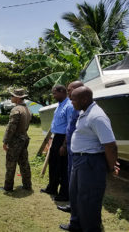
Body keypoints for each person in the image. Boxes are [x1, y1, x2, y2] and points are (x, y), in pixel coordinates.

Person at [60, 86, 120, 232]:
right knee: (75, 195)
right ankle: (76, 225)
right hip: (78, 160)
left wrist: (112, 166)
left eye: (73, 99)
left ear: (84, 99)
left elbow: (110, 145)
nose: (71, 102)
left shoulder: (97, 116)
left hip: (90, 162)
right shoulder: (84, 112)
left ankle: (91, 228)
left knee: (89, 199)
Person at [41, 85, 73, 201]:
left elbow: (70, 128)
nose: (53, 96)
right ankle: (52, 188)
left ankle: (64, 194)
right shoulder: (60, 105)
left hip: (63, 138)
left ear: (62, 92)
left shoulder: (69, 106)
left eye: (55, 93)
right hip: (56, 138)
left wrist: (64, 145)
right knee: (53, 164)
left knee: (63, 168)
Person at [57, 81, 84, 213]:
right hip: (70, 147)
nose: (68, 93)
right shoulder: (74, 107)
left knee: (77, 181)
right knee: (71, 178)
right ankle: (73, 205)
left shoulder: (83, 108)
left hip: (79, 150)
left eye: (70, 90)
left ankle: (77, 208)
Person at [2, 88, 32, 192]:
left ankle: (8, 187)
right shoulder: (27, 109)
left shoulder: (16, 110)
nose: (11, 97)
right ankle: (27, 185)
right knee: (24, 163)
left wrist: (5, 141)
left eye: (12, 96)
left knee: (11, 163)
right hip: (24, 138)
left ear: (18, 98)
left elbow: (11, 128)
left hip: (16, 141)